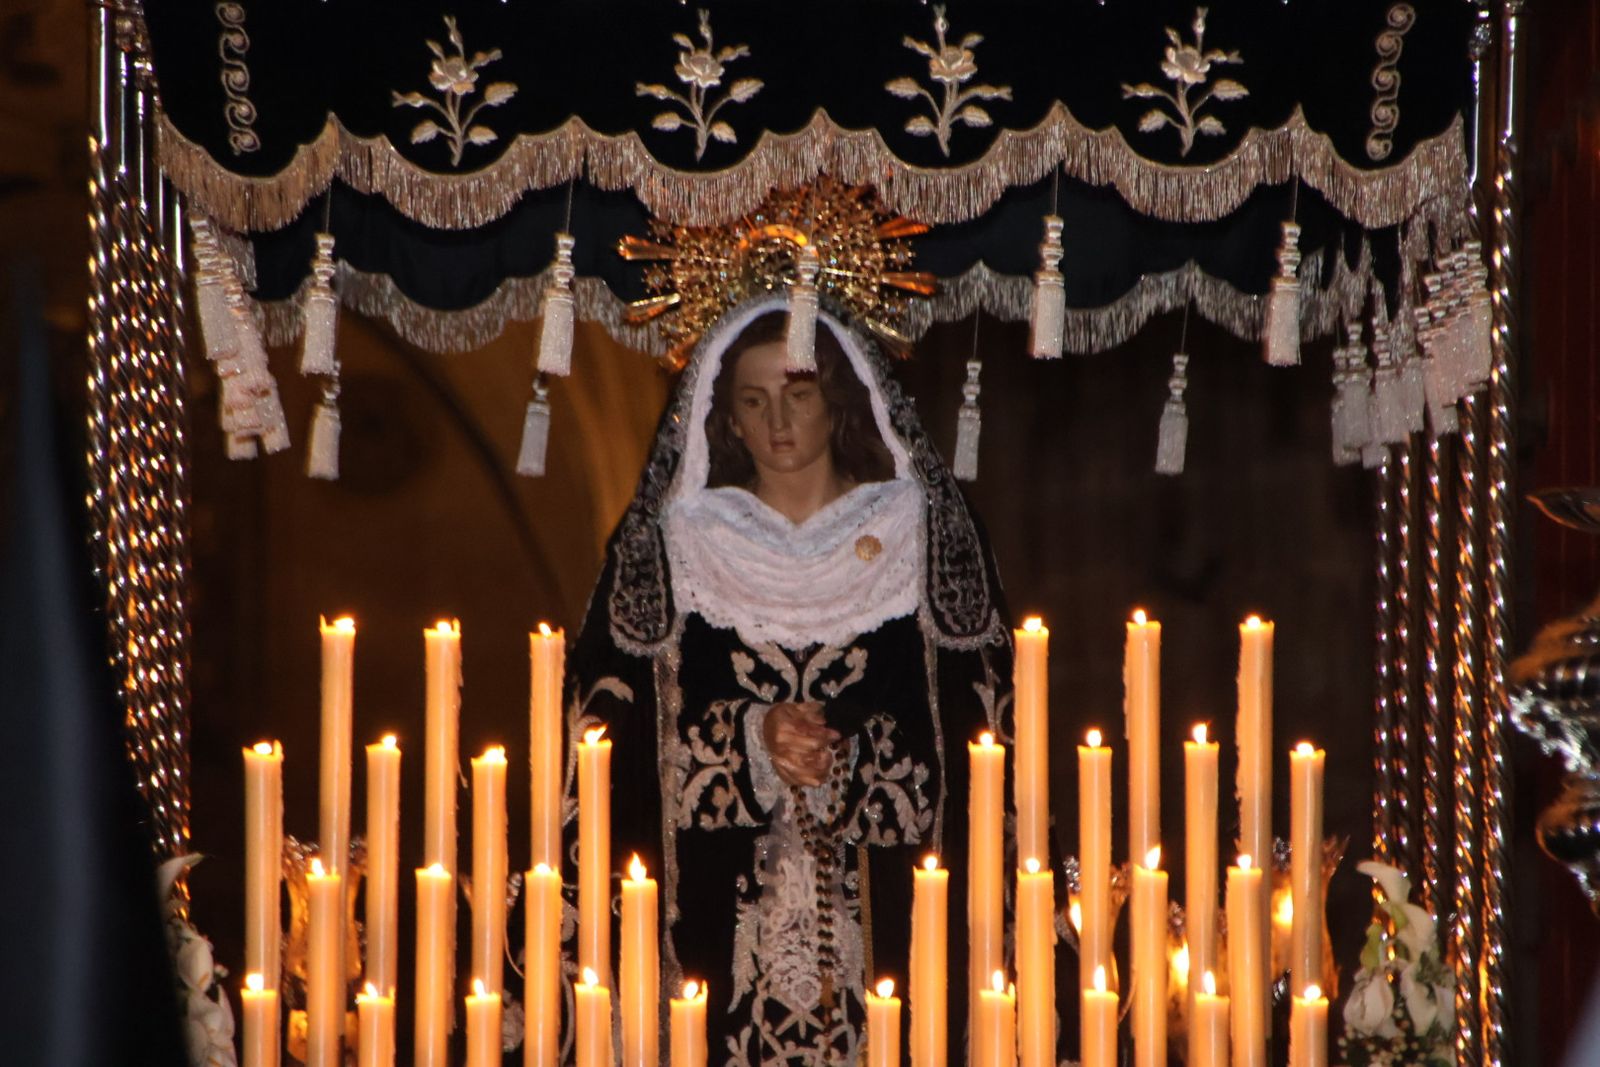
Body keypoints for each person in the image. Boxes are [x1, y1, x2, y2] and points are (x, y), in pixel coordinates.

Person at [561, 294, 1015, 1066]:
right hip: (712, 953)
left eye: (798, 394)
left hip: (892, 941)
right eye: (753, 400)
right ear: (727, 417)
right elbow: (616, 752)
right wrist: (751, 741)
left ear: (837, 401)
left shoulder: (923, 535)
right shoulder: (675, 547)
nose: (778, 422)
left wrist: (848, 751)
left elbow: (979, 740)